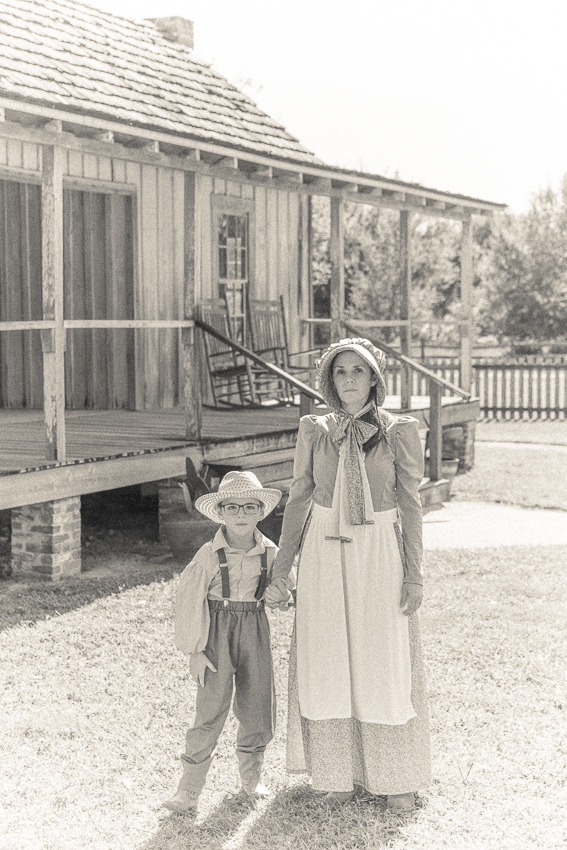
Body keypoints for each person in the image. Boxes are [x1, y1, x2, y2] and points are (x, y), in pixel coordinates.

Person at [265, 338, 431, 811]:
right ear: (329, 380)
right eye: (341, 372)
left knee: (383, 658)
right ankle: (335, 776)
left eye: (359, 371)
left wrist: (414, 573)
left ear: (375, 378)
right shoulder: (315, 430)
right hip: (322, 549)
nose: (350, 379)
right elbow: (299, 497)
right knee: (328, 659)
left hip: (379, 549)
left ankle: (394, 777)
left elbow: (411, 504)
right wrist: (282, 571)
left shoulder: (399, 430)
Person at [163, 470, 292, 814]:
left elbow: (282, 597)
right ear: (220, 512)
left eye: (249, 507)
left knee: (258, 706)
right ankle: (189, 791)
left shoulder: (271, 552)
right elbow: (189, 601)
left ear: (261, 512)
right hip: (217, 632)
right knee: (209, 711)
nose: (240, 515)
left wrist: (281, 594)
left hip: (255, 630)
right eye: (232, 508)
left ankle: (251, 778)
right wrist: (194, 650)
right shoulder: (208, 554)